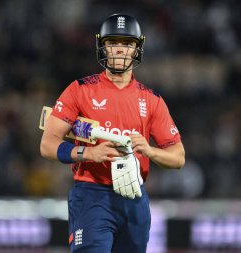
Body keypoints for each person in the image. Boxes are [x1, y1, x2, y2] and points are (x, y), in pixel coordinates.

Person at [40, 13, 185, 253]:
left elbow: (178, 157)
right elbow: (47, 144)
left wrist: (149, 150)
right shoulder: (79, 90)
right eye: (113, 43)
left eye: (127, 44)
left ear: (137, 48)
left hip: (134, 197)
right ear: (103, 47)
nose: (119, 50)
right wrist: (88, 153)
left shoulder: (151, 100)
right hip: (92, 194)